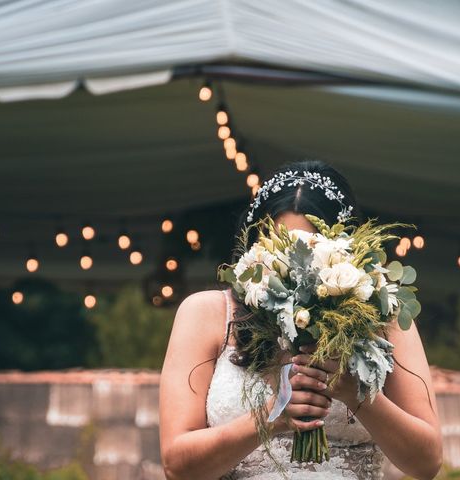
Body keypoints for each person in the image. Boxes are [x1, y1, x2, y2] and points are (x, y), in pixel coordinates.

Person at [159, 159, 443, 480]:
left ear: (345, 252)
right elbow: (176, 465)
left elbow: (426, 463)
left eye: (309, 249)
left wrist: (355, 395)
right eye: (278, 251)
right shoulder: (206, 313)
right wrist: (273, 415)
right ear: (253, 249)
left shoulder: (382, 316)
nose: (295, 269)